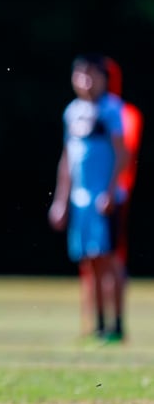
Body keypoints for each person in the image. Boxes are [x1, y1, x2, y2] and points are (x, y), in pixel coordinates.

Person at [48, 54, 129, 343]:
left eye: (92, 75)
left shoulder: (111, 110)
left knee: (109, 261)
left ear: (104, 78)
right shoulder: (72, 111)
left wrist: (109, 191)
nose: (86, 81)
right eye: (81, 75)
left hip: (103, 198)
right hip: (80, 201)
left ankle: (117, 326)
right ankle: (98, 325)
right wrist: (61, 200)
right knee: (89, 262)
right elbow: (68, 159)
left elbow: (123, 154)